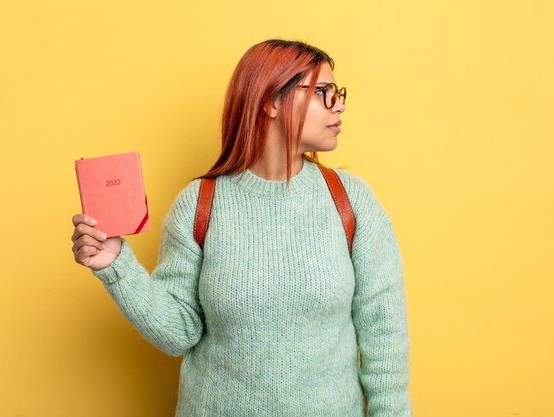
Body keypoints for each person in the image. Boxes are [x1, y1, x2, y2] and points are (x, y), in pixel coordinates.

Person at [71, 39, 412, 417]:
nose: (339, 104)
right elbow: (178, 332)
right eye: (321, 92)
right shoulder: (199, 204)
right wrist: (115, 265)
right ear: (270, 101)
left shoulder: (352, 202)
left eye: (337, 92)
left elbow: (385, 342)